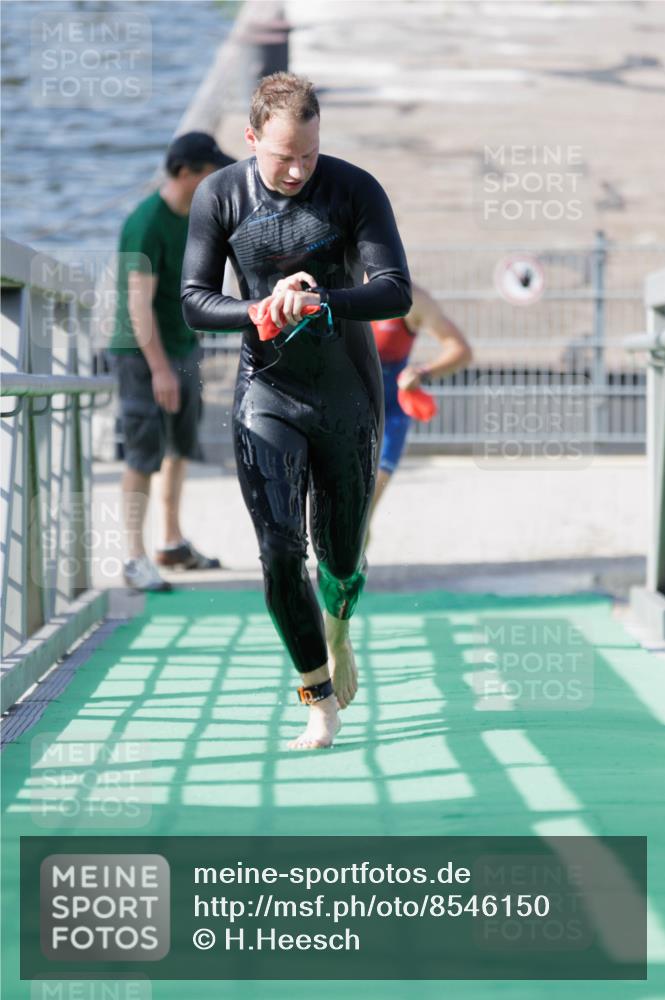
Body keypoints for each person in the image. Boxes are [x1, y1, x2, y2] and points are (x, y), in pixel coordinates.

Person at [181, 73, 411, 749]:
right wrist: (258, 308)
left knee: (340, 555)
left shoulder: (353, 188)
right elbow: (195, 298)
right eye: (283, 156)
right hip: (267, 391)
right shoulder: (219, 195)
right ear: (251, 139)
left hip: (345, 392)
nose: (296, 170)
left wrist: (321, 299)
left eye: (308, 155)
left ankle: (338, 628)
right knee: (280, 550)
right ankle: (316, 699)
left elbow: (394, 291)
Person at [109, 132, 235, 592]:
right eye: (208, 171)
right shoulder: (146, 222)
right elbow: (137, 306)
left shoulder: (195, 217)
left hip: (183, 346)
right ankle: (134, 557)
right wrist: (160, 369)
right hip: (142, 354)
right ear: (185, 173)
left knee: (181, 448)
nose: (216, 178)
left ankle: (171, 540)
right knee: (142, 453)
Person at [369, 283, 473, 519]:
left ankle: (359, 551)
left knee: (365, 508)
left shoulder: (413, 298)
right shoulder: (337, 286)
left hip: (390, 412)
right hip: (345, 409)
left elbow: (461, 350)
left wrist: (422, 372)